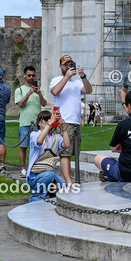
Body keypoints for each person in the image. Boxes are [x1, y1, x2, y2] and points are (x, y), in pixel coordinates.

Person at [49, 54, 92, 183]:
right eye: (66, 65)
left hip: (75, 121)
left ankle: (64, 180)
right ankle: (68, 181)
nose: (68, 67)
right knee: (65, 152)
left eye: (70, 64)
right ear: (61, 66)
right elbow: (55, 91)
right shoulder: (56, 79)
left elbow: (89, 90)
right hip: (64, 120)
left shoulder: (77, 82)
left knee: (73, 152)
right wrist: (67, 76)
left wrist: (83, 75)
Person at [26, 110, 70, 201]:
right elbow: (39, 141)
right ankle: (35, 200)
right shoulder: (34, 134)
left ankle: (53, 196)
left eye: (49, 119)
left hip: (49, 172)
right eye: (45, 119)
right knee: (49, 175)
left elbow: (66, 145)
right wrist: (50, 123)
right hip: (35, 175)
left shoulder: (55, 137)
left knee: (63, 184)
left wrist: (64, 129)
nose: (48, 121)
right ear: (38, 122)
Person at [14, 65, 47, 173]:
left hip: (38, 123)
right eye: (29, 75)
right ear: (24, 75)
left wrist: (39, 93)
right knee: (24, 147)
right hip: (25, 122)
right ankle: (23, 168)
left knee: (39, 146)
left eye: (33, 75)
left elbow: (44, 103)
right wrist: (29, 93)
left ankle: (36, 167)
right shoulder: (19, 90)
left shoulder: (40, 89)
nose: (31, 77)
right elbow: (20, 104)